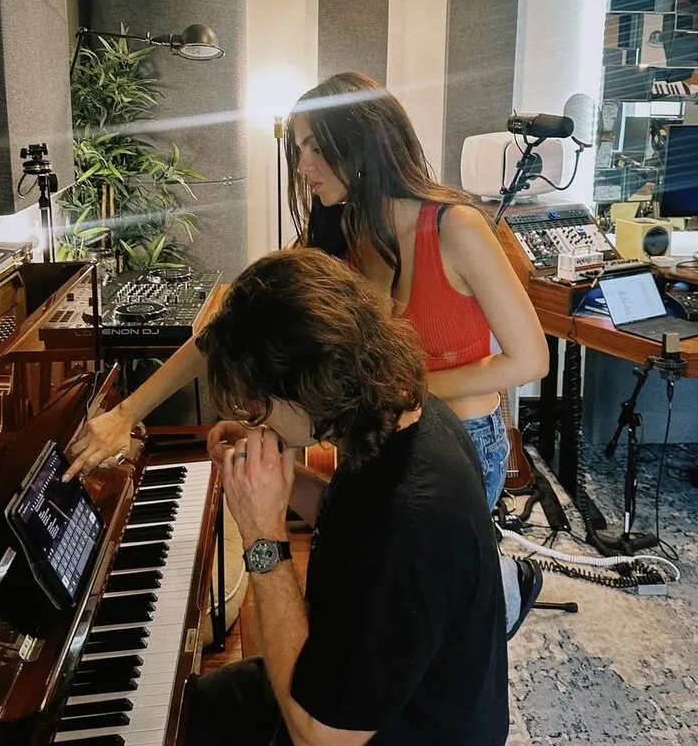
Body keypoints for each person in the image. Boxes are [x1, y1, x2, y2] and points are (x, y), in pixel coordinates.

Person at [190, 247, 507, 746]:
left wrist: (262, 535)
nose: (253, 417)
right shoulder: (405, 415)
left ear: (308, 387)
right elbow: (353, 520)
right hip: (360, 674)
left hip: (378, 731)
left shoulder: (407, 521)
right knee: (194, 707)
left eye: (258, 404)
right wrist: (280, 475)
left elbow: (320, 738)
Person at [285, 71, 549, 635]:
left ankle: (501, 587)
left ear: (362, 141)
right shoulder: (344, 228)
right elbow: (253, 303)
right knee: (381, 581)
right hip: (380, 433)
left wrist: (398, 392)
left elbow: (529, 360)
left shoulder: (457, 226)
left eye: (314, 147)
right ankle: (499, 579)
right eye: (298, 149)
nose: (302, 165)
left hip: (462, 442)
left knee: (417, 609)